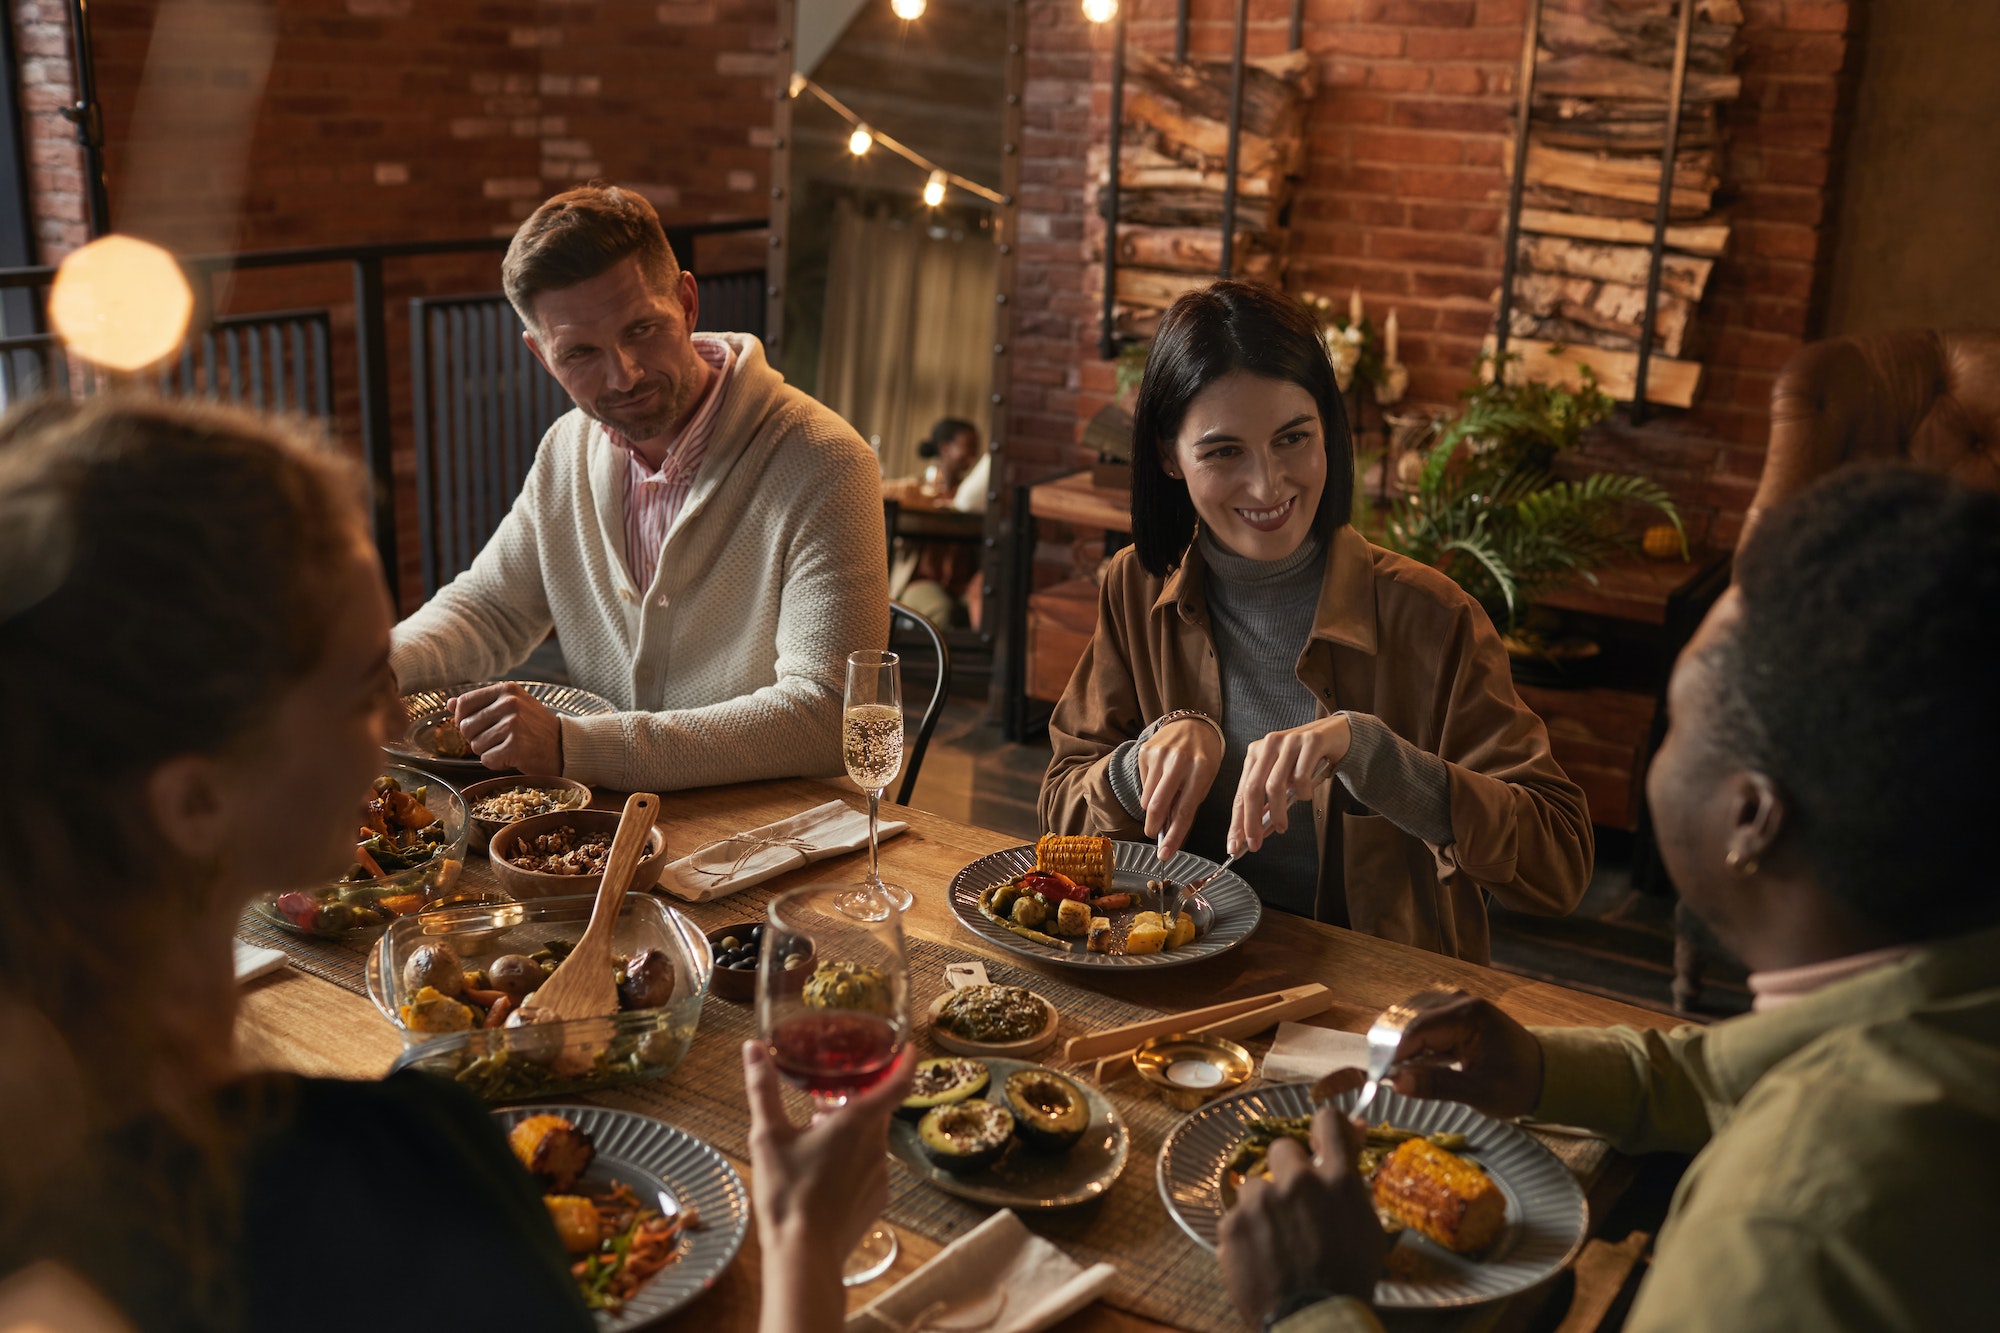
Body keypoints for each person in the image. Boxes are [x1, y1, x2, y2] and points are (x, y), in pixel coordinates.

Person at [0, 398, 909, 1333]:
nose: (396, 725)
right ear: (194, 802)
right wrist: (805, 1249)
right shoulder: (394, 1181)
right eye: (364, 687)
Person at [1218, 465, 2000, 1332]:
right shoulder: (1950, 1005)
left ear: (1750, 816)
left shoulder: (1787, 1230)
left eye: (1677, 718)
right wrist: (1548, 1070)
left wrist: (1310, 1302)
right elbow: (1753, 1069)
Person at [1040, 282, 1589, 959]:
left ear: (1330, 428)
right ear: (1166, 456)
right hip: (1173, 979)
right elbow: (1059, 805)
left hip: (1372, 1010)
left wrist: (1374, 756)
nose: (1269, 486)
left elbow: (1561, 863)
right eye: (1223, 451)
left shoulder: (1436, 617)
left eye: (1293, 437)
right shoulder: (1134, 586)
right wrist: (1141, 759)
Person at [391, 184, 889, 791]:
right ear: (542, 356)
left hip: (773, 835)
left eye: (642, 329)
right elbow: (490, 609)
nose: (622, 375)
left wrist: (572, 747)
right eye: (580, 353)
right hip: (600, 826)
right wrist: (374, 673)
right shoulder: (567, 449)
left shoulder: (827, 462)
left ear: (686, 301)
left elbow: (826, 716)